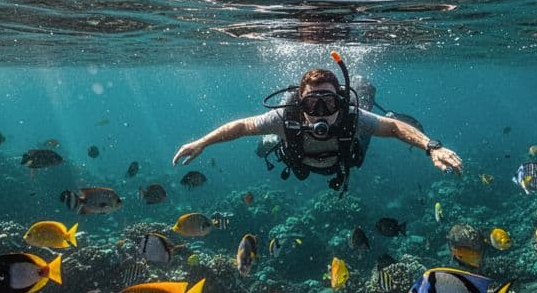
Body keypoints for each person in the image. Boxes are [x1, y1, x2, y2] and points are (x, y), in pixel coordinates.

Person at [172, 53, 461, 192]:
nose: (321, 111)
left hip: (345, 159)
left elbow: (395, 129)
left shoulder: (351, 115)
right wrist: (203, 142)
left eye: (329, 102)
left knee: (372, 124)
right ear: (300, 102)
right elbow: (242, 127)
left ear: (341, 100)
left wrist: (431, 146)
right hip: (300, 160)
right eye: (312, 103)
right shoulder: (286, 116)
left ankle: (365, 93)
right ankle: (272, 139)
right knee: (265, 142)